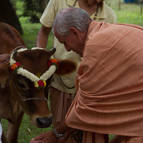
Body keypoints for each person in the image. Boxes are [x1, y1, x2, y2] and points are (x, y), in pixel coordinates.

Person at [52, 7, 143, 143]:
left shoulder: (96, 45)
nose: (67, 49)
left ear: (74, 32)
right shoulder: (111, 30)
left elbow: (87, 106)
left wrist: (56, 133)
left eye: (64, 42)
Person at [32, 0, 117, 143]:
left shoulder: (109, 15)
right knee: (62, 133)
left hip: (93, 87)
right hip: (62, 84)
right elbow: (43, 31)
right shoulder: (58, 2)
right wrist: (40, 59)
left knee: (92, 133)